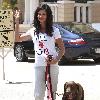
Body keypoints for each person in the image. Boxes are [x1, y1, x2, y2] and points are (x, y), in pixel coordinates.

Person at [15, 4, 65, 100]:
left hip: (52, 65)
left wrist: (56, 60)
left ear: (48, 16)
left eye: (43, 14)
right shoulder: (33, 31)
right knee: (38, 94)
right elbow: (17, 39)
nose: (40, 16)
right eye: (39, 14)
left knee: (52, 93)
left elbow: (62, 48)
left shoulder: (55, 31)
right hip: (39, 65)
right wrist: (17, 22)